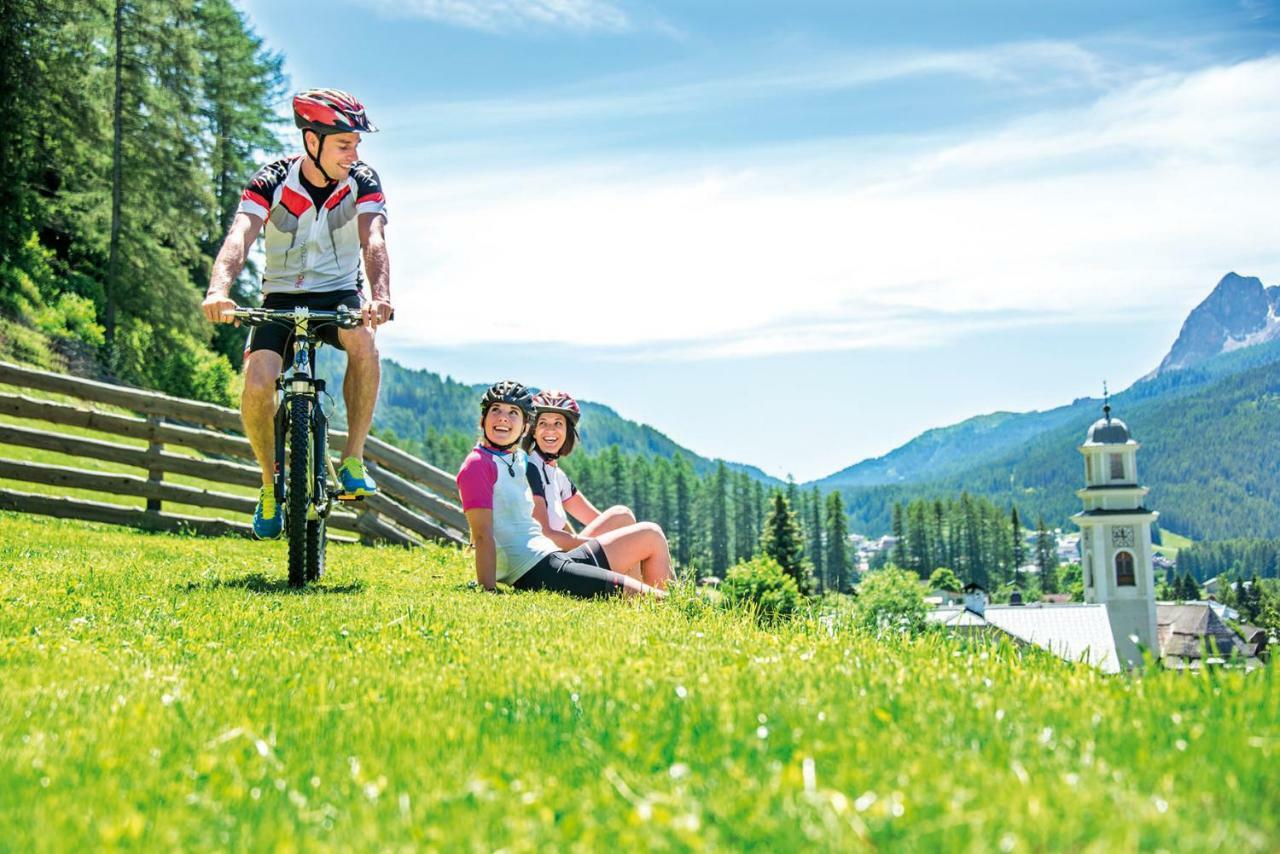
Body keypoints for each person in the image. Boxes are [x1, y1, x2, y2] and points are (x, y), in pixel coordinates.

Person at [201, 88, 392, 540]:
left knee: (364, 340)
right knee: (257, 381)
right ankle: (269, 485)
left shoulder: (363, 181)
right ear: (312, 141)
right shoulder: (271, 180)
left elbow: (375, 239)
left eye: (357, 144)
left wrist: (379, 295)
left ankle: (352, 460)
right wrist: (218, 289)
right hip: (280, 299)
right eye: (344, 144)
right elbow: (240, 236)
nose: (355, 153)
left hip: (340, 294)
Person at [456, 381, 675, 597]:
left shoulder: (515, 460)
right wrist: (487, 589)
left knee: (651, 533)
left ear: (524, 427)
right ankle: (677, 608)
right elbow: (483, 535)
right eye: (496, 410)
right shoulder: (477, 465)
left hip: (553, 559)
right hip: (538, 569)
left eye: (513, 412)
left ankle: (679, 599)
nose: (503, 417)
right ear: (483, 419)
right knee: (655, 598)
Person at [522, 390, 639, 544]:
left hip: (563, 553)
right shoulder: (530, 468)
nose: (551, 429)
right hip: (546, 558)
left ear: (566, 431)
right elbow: (543, 534)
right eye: (543, 423)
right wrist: (601, 546)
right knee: (623, 518)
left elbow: (600, 520)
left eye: (558, 423)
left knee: (623, 519)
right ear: (534, 431)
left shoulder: (558, 476)